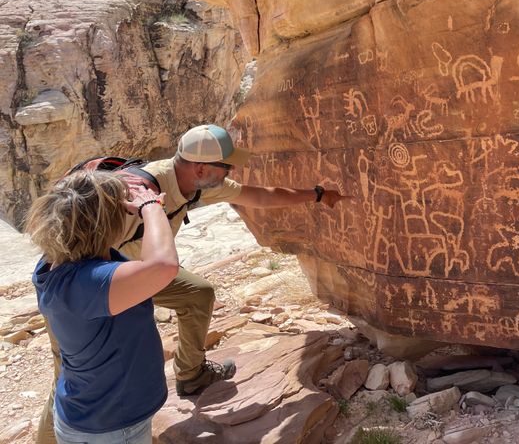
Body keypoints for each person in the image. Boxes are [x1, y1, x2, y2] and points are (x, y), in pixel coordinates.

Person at [37, 124, 348, 444]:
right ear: (201, 167)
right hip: (95, 286)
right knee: (70, 372)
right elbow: (76, 245)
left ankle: (191, 374)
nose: (233, 170)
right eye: (227, 165)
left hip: (140, 273)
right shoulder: (140, 191)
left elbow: (258, 195)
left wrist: (317, 195)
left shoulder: (201, 184)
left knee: (198, 294)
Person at [28, 171, 176, 444]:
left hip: (84, 413)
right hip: (114, 427)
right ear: (104, 225)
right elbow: (163, 266)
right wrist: (151, 208)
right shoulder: (88, 283)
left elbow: (74, 206)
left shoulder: (55, 264)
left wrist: (99, 188)